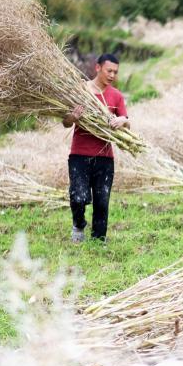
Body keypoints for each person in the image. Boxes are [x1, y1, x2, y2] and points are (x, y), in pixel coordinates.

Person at [61, 53, 130, 243]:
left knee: (102, 201)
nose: (112, 75)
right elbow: (65, 122)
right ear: (97, 67)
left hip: (105, 157)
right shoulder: (81, 91)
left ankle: (99, 240)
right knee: (78, 196)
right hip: (79, 155)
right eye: (109, 70)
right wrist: (73, 117)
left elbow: (127, 123)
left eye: (115, 72)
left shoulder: (116, 95)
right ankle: (78, 225)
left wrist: (122, 121)